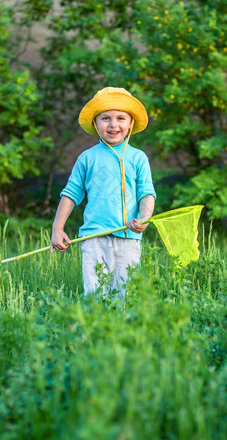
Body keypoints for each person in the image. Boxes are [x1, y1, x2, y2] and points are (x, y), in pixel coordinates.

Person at [50, 87, 156, 300]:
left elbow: (146, 193)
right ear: (96, 124)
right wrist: (57, 228)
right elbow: (70, 194)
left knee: (125, 296)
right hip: (93, 238)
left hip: (128, 238)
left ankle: (120, 333)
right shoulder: (87, 158)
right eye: (105, 118)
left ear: (130, 123)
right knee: (95, 297)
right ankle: (94, 332)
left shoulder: (138, 158)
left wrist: (145, 218)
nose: (113, 124)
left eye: (120, 118)